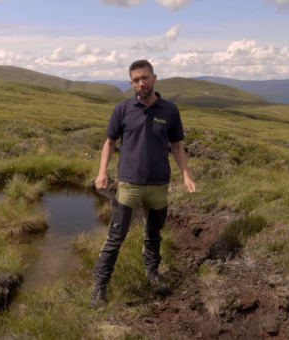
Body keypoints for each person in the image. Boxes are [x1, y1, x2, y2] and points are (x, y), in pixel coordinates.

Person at [89, 60, 196, 308]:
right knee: (116, 237)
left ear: (154, 78)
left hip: (159, 185)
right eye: (136, 80)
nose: (141, 83)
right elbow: (109, 142)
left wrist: (187, 175)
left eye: (145, 78)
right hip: (129, 184)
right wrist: (102, 172)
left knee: (153, 233)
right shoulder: (123, 108)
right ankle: (99, 286)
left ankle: (152, 273)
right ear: (131, 83)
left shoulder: (169, 110)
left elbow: (177, 146)